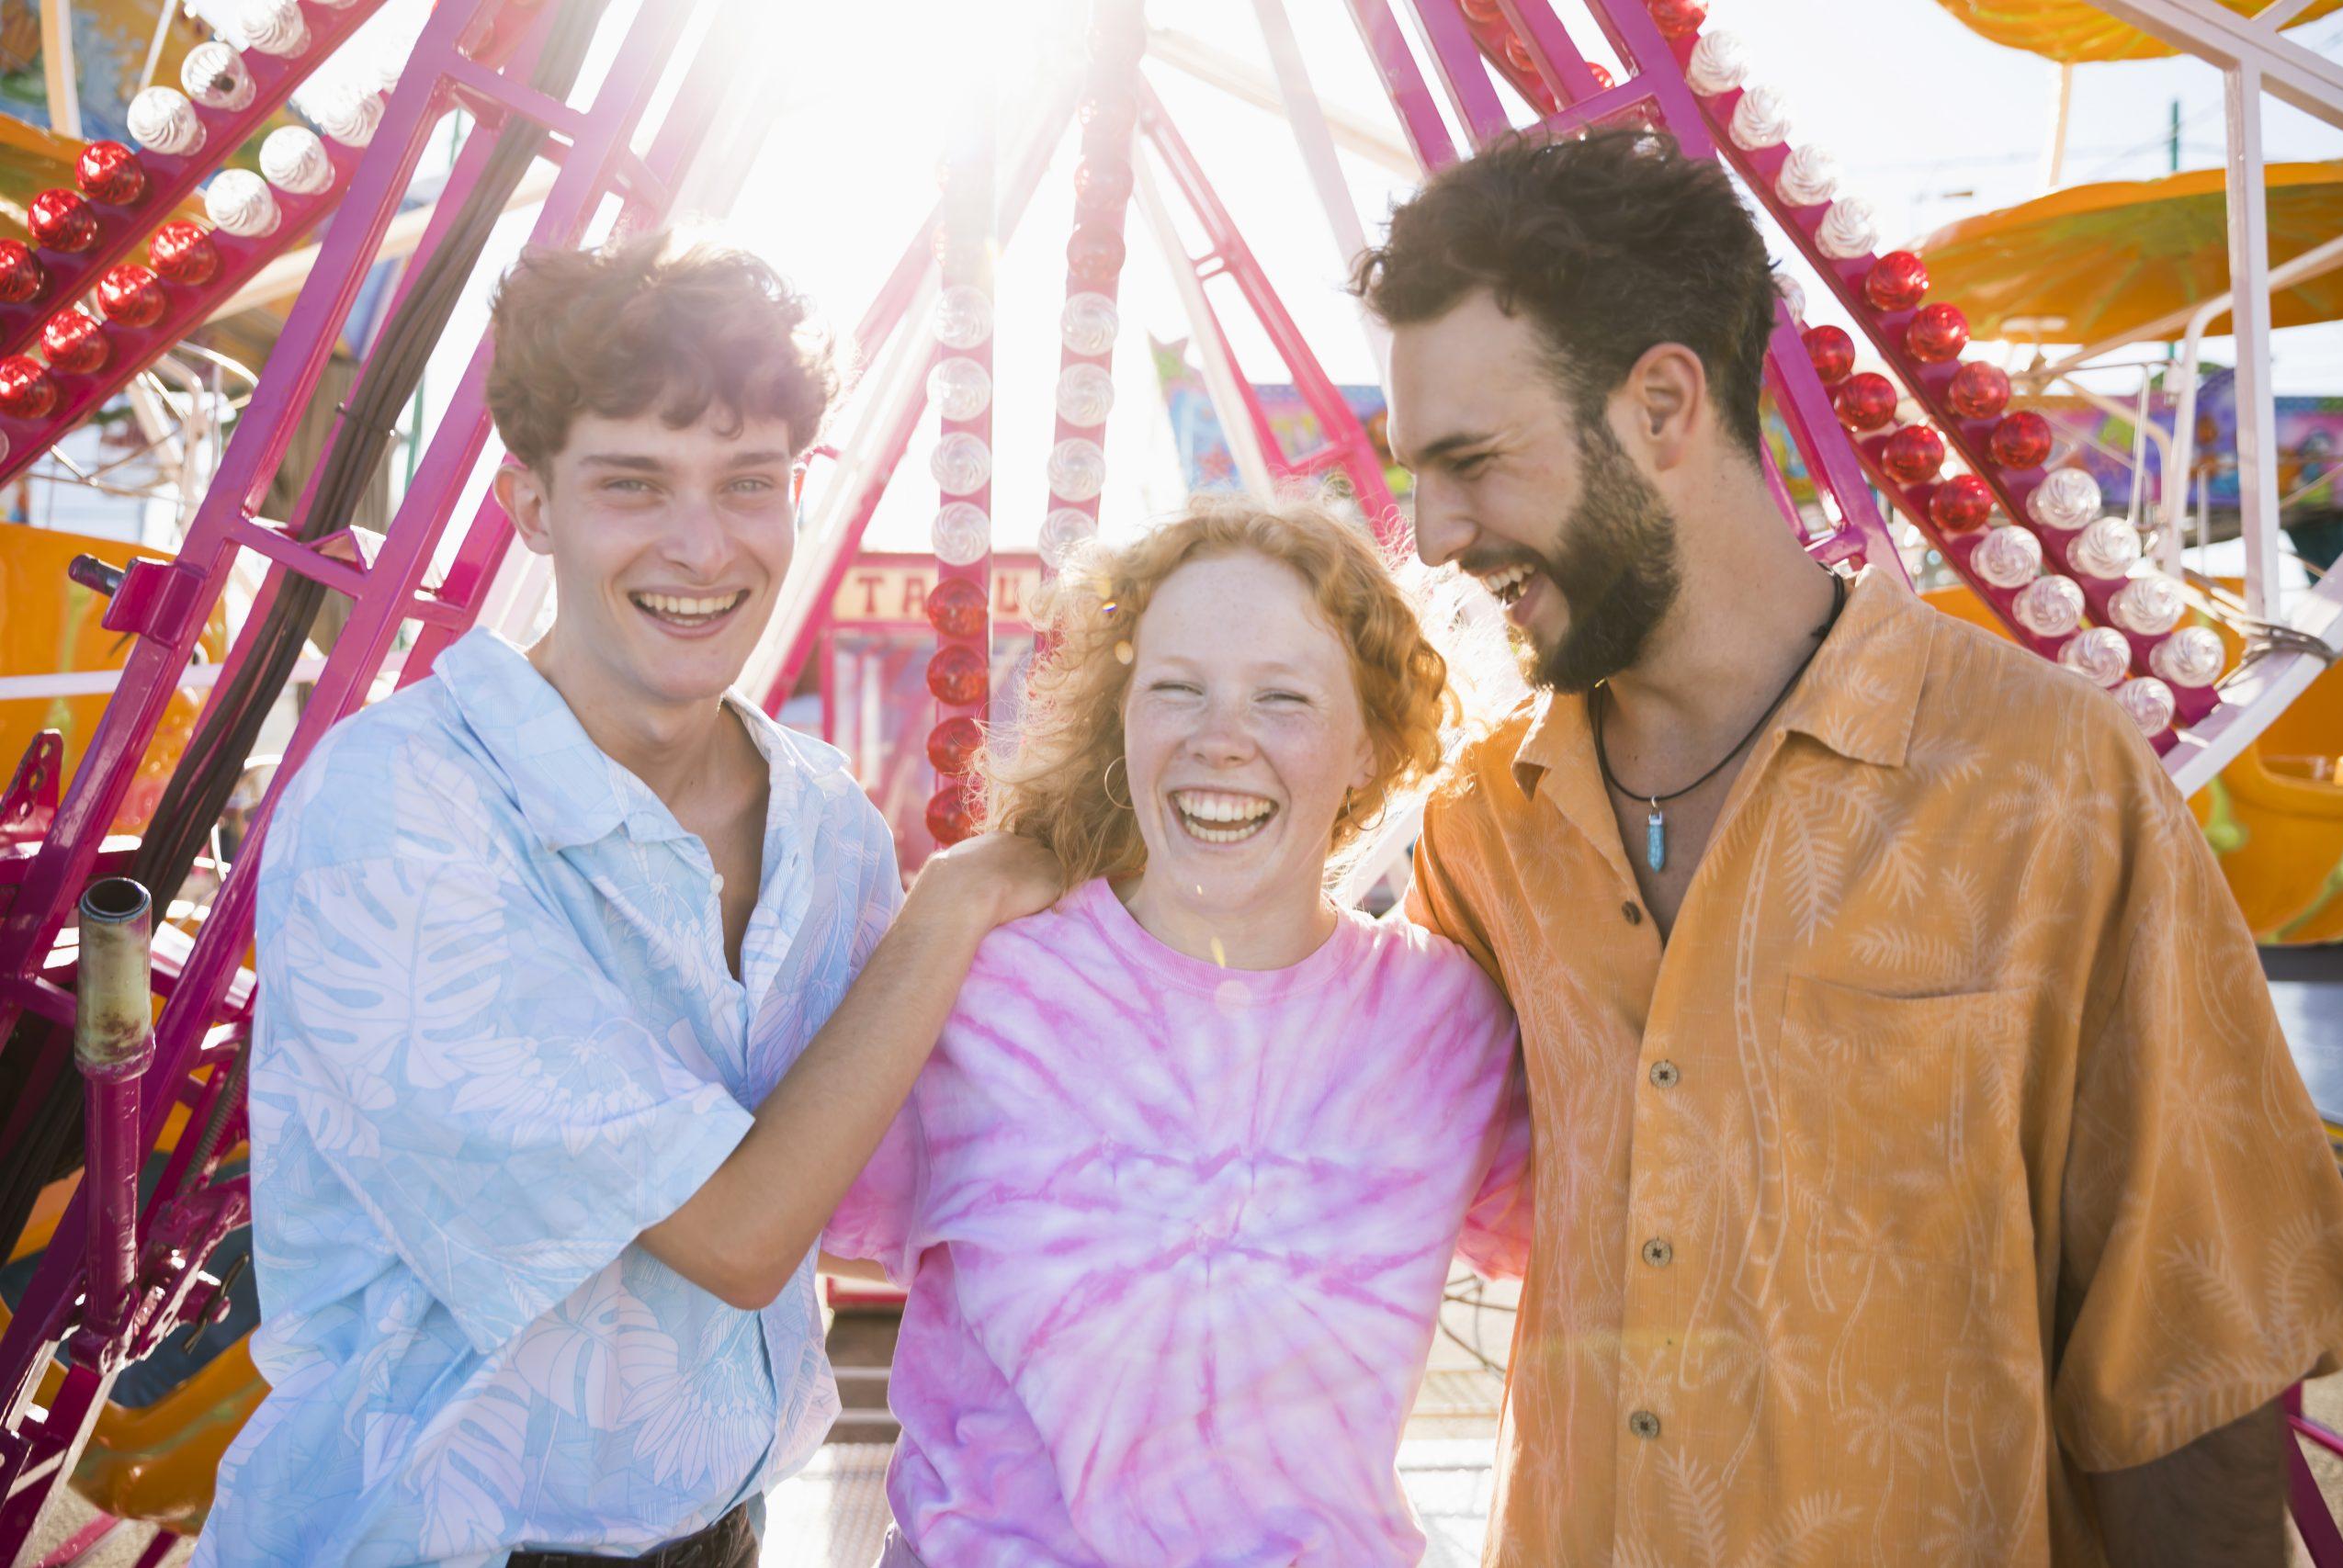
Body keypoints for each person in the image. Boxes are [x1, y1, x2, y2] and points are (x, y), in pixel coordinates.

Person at [1356, 128, 2343, 1567]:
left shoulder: (2044, 782)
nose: (1434, 531)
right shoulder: (1483, 824)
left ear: (1662, 405)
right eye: (1415, 472)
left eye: (1472, 461)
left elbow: (2191, 1368)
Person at [196, 234, 1056, 1566]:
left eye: (747, 483)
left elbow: (923, 1158)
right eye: (634, 484)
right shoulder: (403, 812)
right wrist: (957, 906)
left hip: (721, 1529)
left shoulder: (823, 819)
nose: (703, 546)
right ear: (531, 502)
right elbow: (740, 1234)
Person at [821, 496, 1531, 1567]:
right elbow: (778, 1218)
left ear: (1369, 749)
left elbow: (1618, 1254)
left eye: (1283, 699)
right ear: (1121, 720)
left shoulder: (1448, 1023)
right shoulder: (981, 986)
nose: (1220, 741)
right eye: (1176, 689)